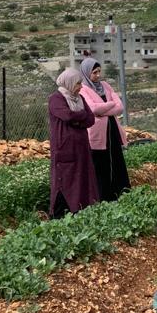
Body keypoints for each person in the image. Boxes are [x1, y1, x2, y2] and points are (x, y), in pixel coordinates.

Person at [48, 69, 99, 219]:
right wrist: (80, 117)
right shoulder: (56, 99)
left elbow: (91, 119)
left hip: (81, 149)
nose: (80, 87)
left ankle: (79, 211)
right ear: (68, 83)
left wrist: (78, 118)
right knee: (64, 181)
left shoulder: (79, 98)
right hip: (65, 148)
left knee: (81, 180)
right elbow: (67, 115)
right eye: (77, 83)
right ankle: (59, 216)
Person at [79, 57, 131, 202]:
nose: (97, 75)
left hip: (112, 129)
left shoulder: (106, 86)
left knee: (116, 159)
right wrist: (110, 105)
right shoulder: (83, 90)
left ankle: (121, 192)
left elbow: (120, 107)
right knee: (100, 164)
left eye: (99, 72)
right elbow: (93, 108)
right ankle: (104, 197)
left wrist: (103, 109)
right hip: (97, 133)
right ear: (86, 73)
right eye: (94, 72)